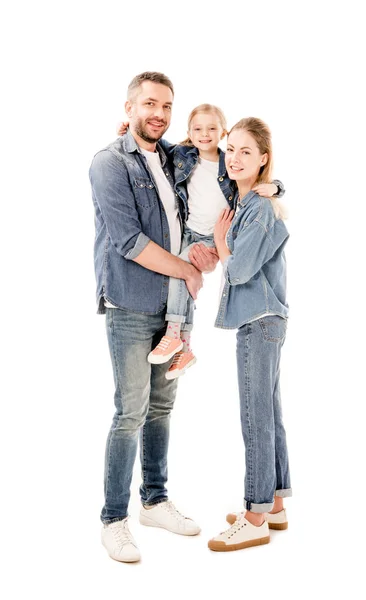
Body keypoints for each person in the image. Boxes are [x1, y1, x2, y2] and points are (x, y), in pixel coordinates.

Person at [89, 72, 218, 563]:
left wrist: (205, 252)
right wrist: (187, 267)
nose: (158, 113)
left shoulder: (174, 156)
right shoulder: (108, 163)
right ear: (129, 108)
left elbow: (216, 174)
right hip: (130, 305)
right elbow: (129, 242)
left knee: (162, 409)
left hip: (175, 311)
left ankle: (155, 501)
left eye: (166, 105)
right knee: (130, 413)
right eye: (149, 104)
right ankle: (114, 519)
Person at [117, 108, 285, 379]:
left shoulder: (227, 164)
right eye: (197, 129)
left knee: (181, 271)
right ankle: (185, 347)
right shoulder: (183, 156)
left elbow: (259, 176)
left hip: (210, 237)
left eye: (211, 129)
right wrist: (131, 130)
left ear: (222, 131)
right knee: (184, 280)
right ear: (189, 133)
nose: (204, 135)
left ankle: (175, 334)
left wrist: (277, 187)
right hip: (188, 233)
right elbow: (155, 144)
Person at [208, 117, 292, 552]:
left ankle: (255, 515)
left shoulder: (257, 207)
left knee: (255, 418)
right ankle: (274, 505)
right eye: (231, 149)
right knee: (269, 414)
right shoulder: (248, 200)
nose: (235, 158)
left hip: (258, 320)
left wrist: (222, 240)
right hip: (266, 320)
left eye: (246, 151)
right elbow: (194, 152)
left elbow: (239, 270)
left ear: (263, 160)